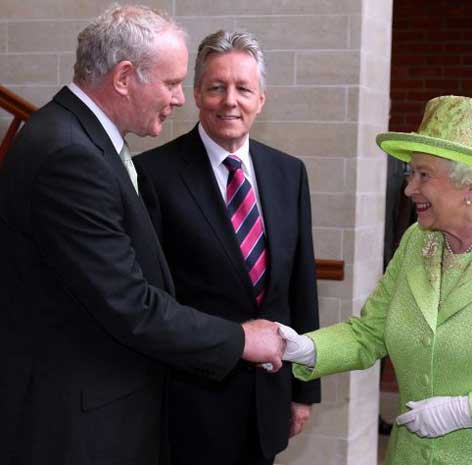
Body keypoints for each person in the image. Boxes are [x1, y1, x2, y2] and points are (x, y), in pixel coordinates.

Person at [0, 6, 284, 465]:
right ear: (124, 77)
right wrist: (241, 340)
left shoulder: (81, 138)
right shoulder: (70, 155)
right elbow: (129, 302)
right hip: (76, 427)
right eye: (172, 84)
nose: (178, 100)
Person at [278, 95, 472, 465]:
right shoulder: (418, 241)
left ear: (471, 186)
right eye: (411, 173)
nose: (410, 188)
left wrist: (466, 412)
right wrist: (306, 348)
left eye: (423, 175)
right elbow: (370, 332)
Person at [135, 30, 321, 465]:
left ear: (262, 98)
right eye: (217, 87)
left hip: (268, 398)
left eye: (243, 88)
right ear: (197, 93)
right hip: (189, 403)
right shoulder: (153, 175)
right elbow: (152, 297)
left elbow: (300, 288)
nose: (229, 101)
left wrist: (303, 391)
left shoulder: (289, 173)